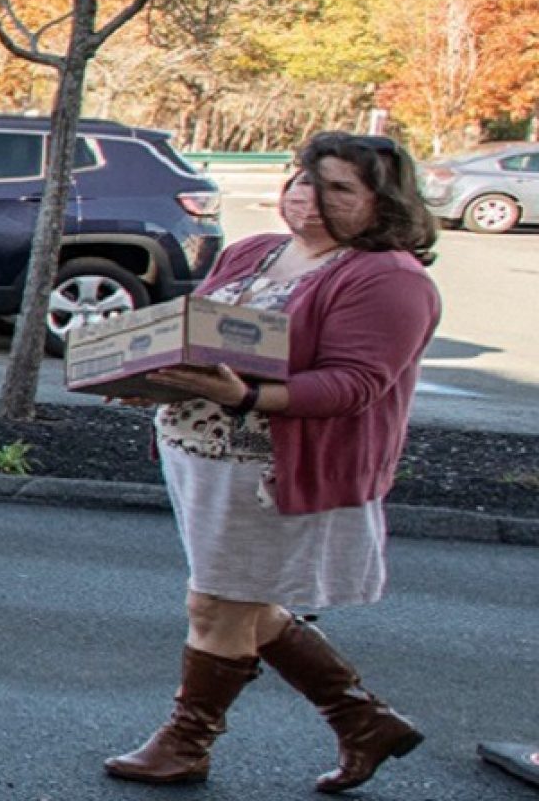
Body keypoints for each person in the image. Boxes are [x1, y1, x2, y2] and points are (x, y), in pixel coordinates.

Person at [104, 132, 441, 794]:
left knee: (215, 605)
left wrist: (247, 395)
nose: (309, 201)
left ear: (384, 201)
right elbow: (200, 336)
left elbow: (353, 385)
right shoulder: (254, 252)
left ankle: (186, 743)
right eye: (303, 182)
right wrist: (150, 377)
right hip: (202, 459)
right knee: (242, 603)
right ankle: (362, 720)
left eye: (339, 189)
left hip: (273, 471)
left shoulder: (389, 278)